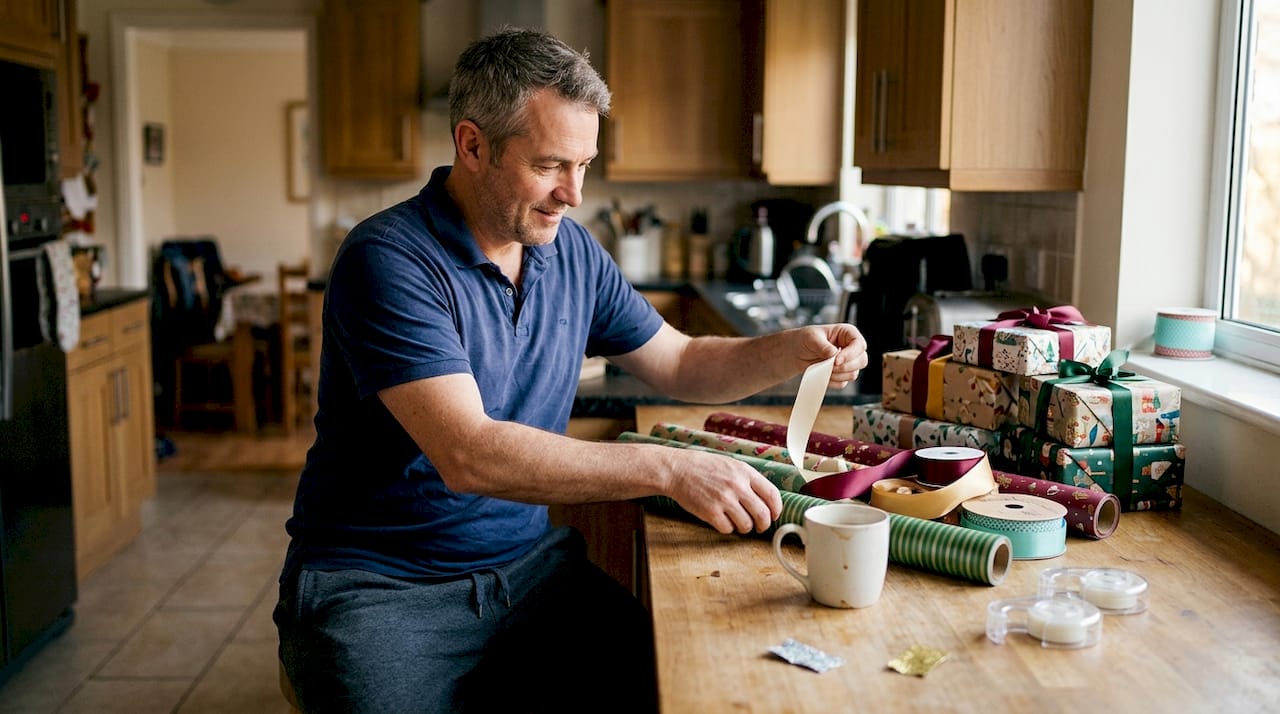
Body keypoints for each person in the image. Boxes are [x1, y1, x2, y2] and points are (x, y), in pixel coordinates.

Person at [274, 27, 868, 714]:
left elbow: (678, 360)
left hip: (529, 576)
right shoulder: (388, 259)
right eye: (551, 164)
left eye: (584, 163)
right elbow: (468, 453)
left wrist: (791, 349)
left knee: (674, 685)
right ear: (472, 145)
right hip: (380, 592)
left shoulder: (571, 252)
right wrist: (669, 469)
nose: (574, 193)